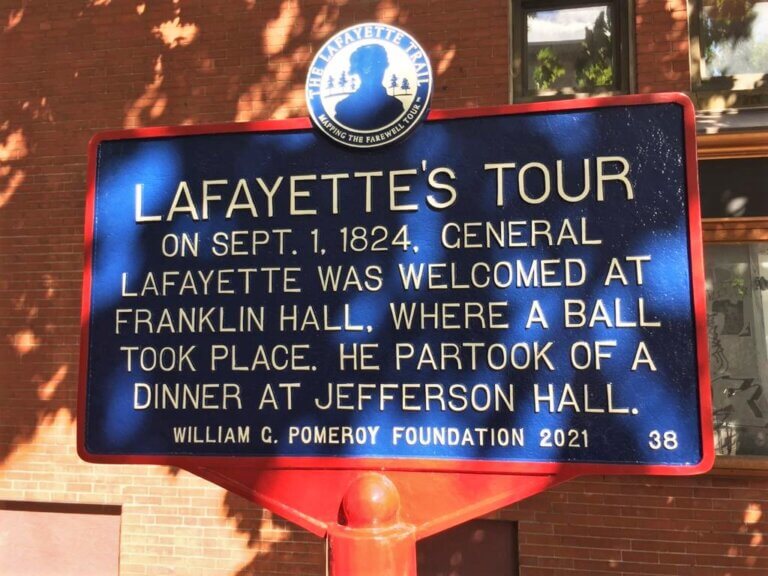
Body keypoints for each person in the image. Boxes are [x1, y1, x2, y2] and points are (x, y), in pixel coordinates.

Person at [334, 44, 404, 130]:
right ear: (358, 69)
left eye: (378, 64)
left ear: (384, 66)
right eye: (367, 65)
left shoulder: (396, 106)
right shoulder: (344, 108)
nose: (373, 71)